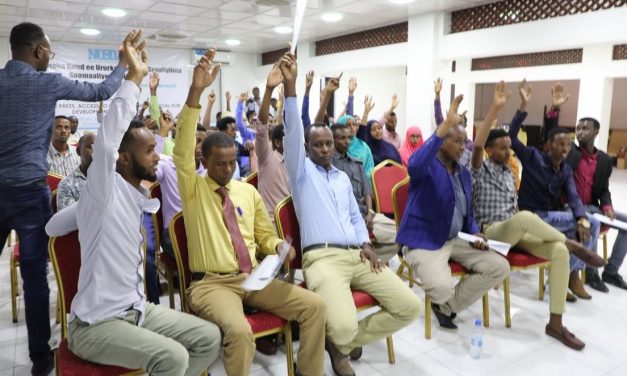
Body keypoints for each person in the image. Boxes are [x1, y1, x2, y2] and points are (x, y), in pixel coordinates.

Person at [44, 30, 221, 375]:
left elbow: (53, 226)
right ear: (124, 159)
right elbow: (107, 144)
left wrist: (84, 213)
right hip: (95, 325)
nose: (158, 157)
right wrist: (134, 78)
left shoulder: (126, 197)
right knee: (173, 358)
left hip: (136, 310)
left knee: (209, 337)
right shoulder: (105, 185)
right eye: (150, 150)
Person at [173, 48, 326, 376]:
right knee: (241, 331)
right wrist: (196, 92)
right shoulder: (193, 188)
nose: (228, 169)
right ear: (204, 162)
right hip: (211, 285)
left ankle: (308, 371)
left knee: (314, 306)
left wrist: (278, 248)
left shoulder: (246, 190)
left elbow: (264, 236)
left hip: (252, 277)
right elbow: (182, 148)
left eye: (232, 162)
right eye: (220, 163)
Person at [280, 51, 421, 376]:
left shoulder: (343, 177)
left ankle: (337, 346)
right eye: (318, 145)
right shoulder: (301, 173)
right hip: (323, 260)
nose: (326, 148)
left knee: (409, 307)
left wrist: (366, 243)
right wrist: (290, 88)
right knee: (342, 327)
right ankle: (340, 342)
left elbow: (356, 217)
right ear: (308, 148)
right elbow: (292, 135)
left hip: (358, 255)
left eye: (329, 143)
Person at [0, 22, 128, 375]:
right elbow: (102, 90)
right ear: (39, 50)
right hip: (29, 192)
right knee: (35, 278)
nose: (48, 58)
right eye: (49, 52)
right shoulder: (47, 82)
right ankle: (41, 358)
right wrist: (123, 63)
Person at [471, 81, 604, 350]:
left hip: (517, 232)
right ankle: (576, 245)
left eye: (509, 147)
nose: (508, 151)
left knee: (558, 252)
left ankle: (555, 323)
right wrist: (515, 107)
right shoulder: (479, 169)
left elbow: (573, 197)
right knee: (525, 217)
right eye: (501, 148)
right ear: (489, 150)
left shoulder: (510, 172)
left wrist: (580, 217)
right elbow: (476, 148)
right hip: (492, 232)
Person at [396, 94, 510, 330]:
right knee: (442, 288)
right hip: (425, 241)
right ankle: (444, 299)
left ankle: (445, 307)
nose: (463, 147)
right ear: (441, 142)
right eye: (457, 142)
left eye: (464, 141)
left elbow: (468, 215)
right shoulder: (426, 167)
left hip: (456, 239)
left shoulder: (463, 174)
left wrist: (476, 232)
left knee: (500, 267)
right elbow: (414, 164)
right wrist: (443, 126)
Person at [509, 81, 600, 301]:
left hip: (551, 217)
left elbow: (573, 196)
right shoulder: (532, 157)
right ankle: (566, 277)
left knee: (591, 223)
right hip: (532, 217)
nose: (566, 149)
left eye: (568, 146)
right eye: (561, 145)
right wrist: (523, 106)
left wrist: (581, 218)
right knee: (584, 226)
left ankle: (567, 276)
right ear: (549, 146)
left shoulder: (566, 170)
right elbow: (511, 137)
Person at [566, 117, 627, 290]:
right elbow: (552, 137)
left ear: (596, 132)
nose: (580, 132)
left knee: (625, 223)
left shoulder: (604, 160)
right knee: (593, 222)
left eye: (585, 128)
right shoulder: (570, 152)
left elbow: (603, 190)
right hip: (571, 208)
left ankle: (611, 271)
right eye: (578, 128)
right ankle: (591, 274)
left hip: (593, 206)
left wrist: (607, 207)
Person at [155, 113, 208, 260]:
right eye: (197, 141)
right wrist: (162, 133)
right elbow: (148, 168)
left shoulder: (208, 171)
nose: (201, 147)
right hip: (173, 232)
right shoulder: (167, 165)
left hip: (200, 229)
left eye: (204, 142)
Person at [254, 63, 290, 222]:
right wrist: (269, 89)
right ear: (276, 142)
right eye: (288, 138)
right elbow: (261, 128)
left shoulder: (297, 161)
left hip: (293, 221)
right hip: (271, 224)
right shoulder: (267, 156)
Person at [56, 132, 96, 210]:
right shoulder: (67, 184)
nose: (95, 151)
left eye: (98, 148)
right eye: (90, 147)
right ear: (78, 151)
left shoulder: (112, 179)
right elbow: (67, 219)